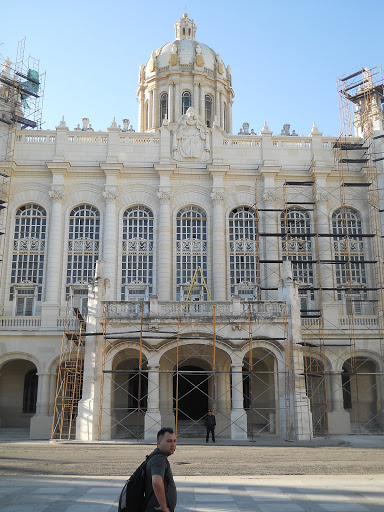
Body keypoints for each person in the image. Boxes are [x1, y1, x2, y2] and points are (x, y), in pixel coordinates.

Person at [145, 427, 177, 512]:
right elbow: (156, 482)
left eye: (174, 441)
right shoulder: (159, 459)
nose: (173, 445)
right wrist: (163, 506)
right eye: (169, 441)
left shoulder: (157, 457)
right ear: (159, 443)